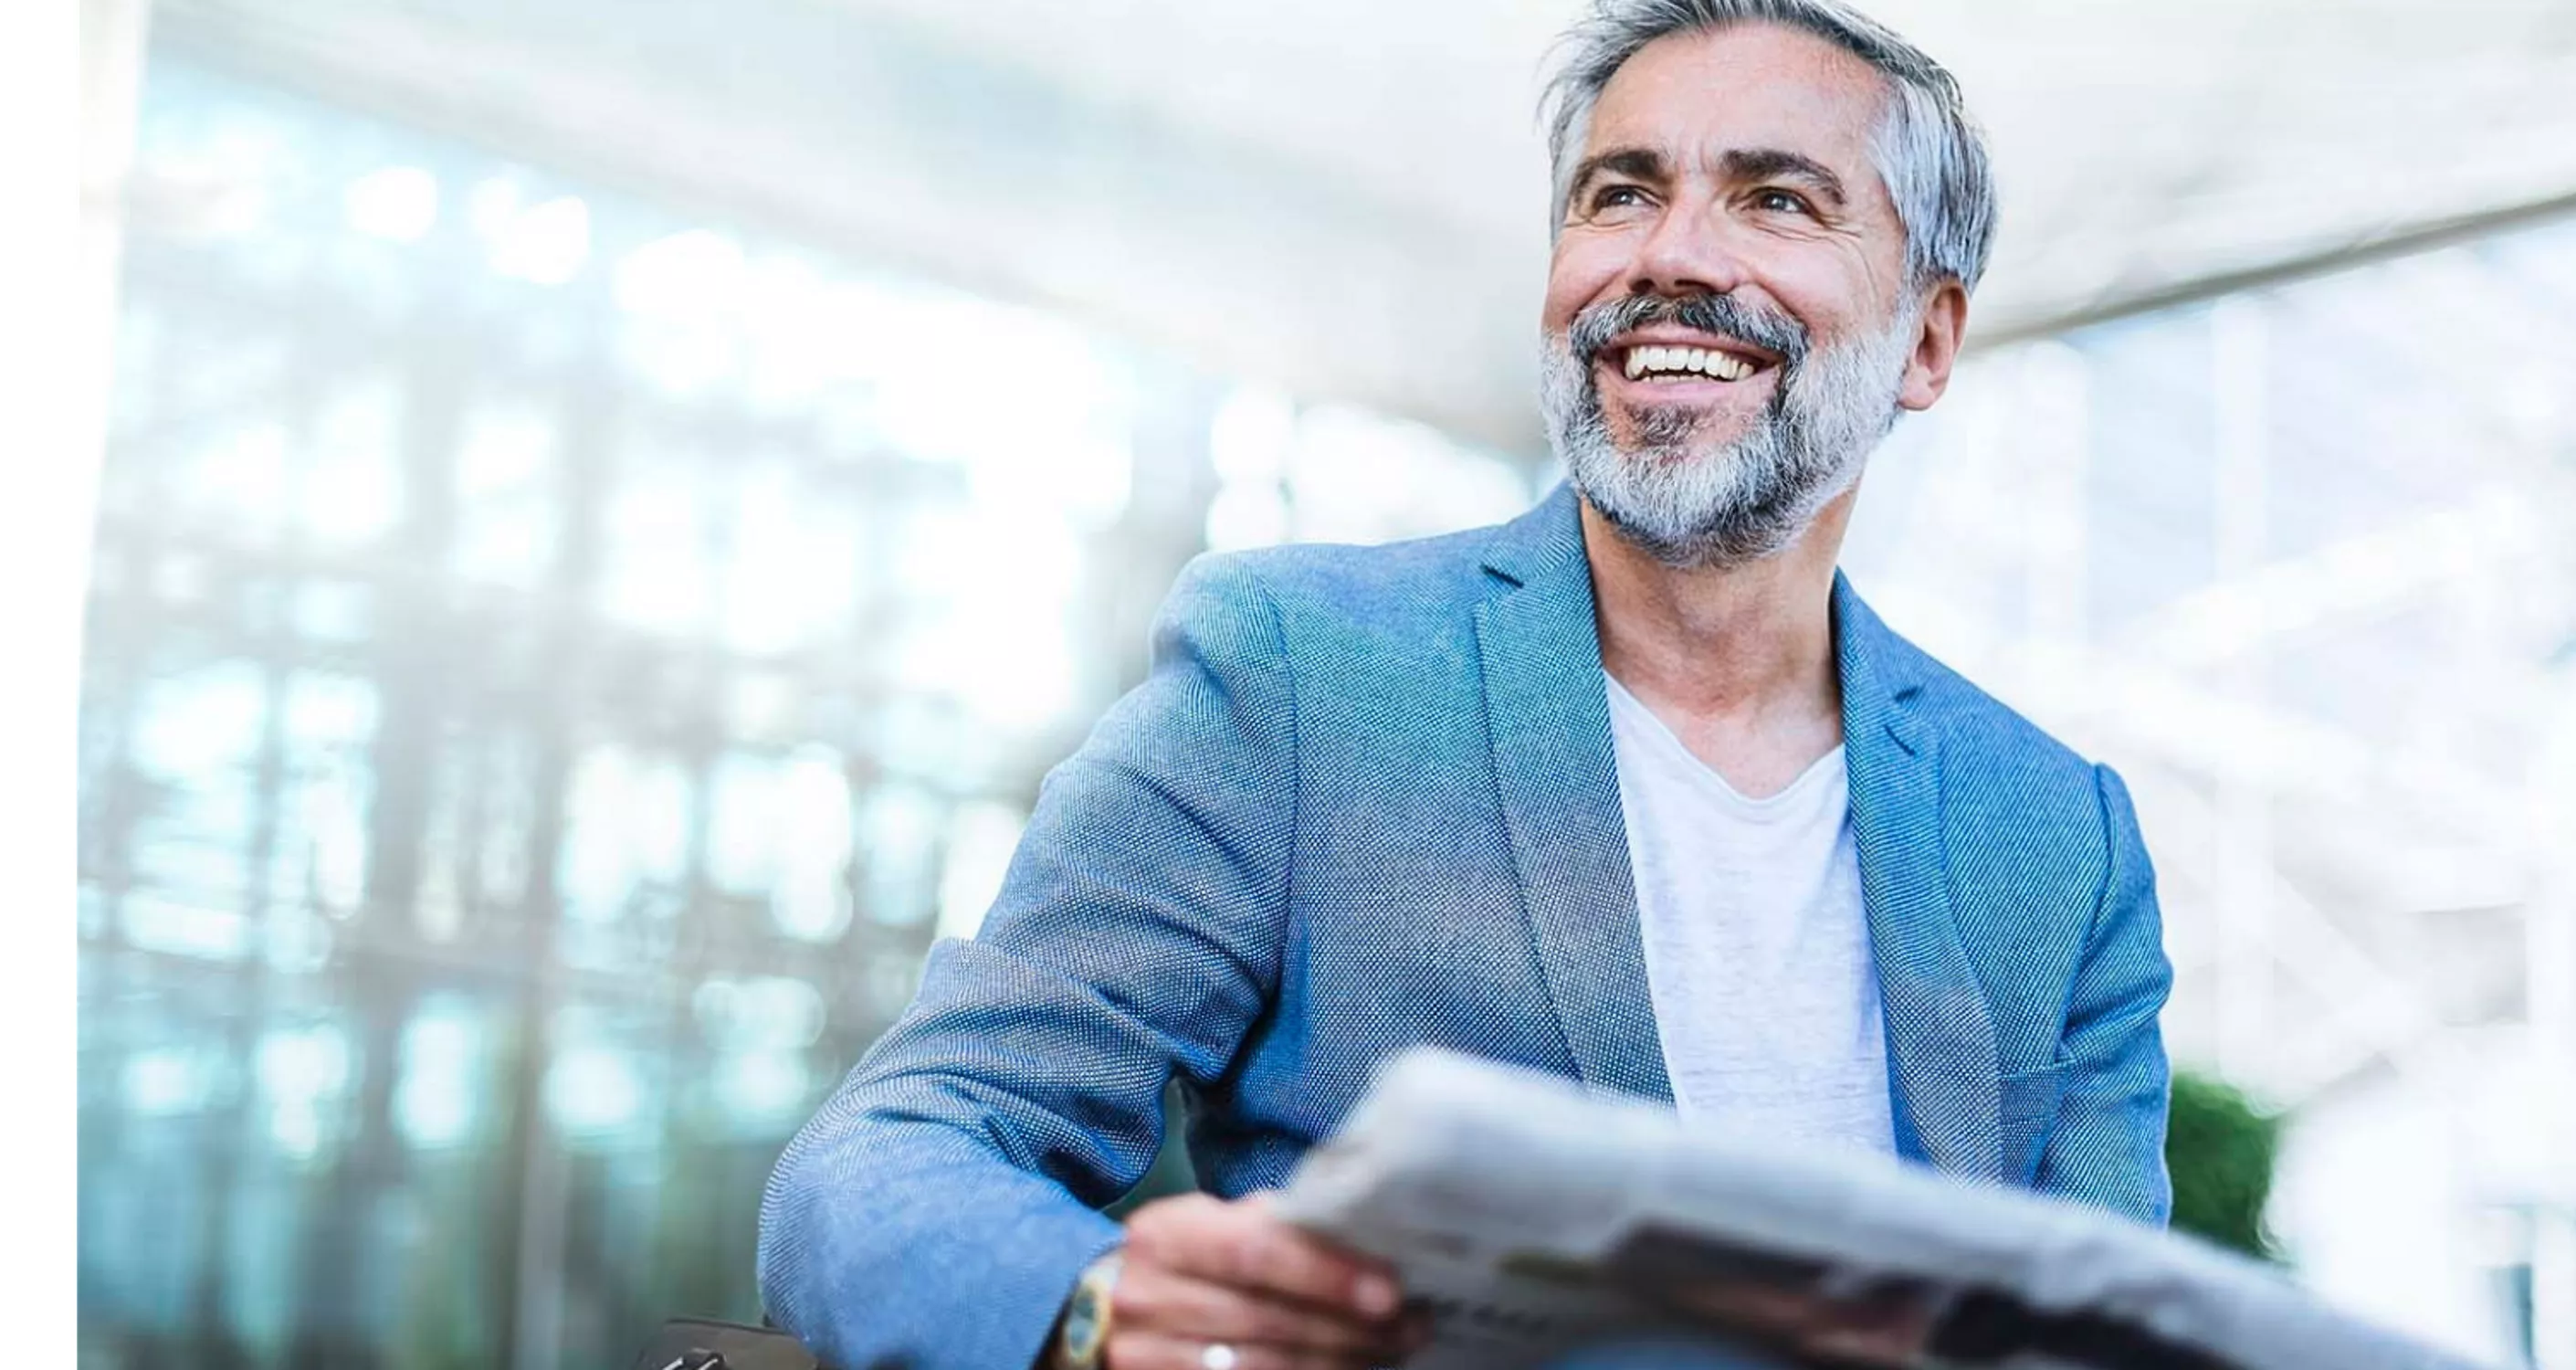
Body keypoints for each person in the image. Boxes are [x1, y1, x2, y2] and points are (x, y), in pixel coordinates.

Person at [758, 2, 2174, 1367]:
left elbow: (2114, 1334)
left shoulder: (2059, 839)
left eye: (1777, 201)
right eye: (1617, 194)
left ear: (1927, 340)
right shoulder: (1305, 678)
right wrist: (1095, 1306)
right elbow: (886, 1157)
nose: (1670, 254)